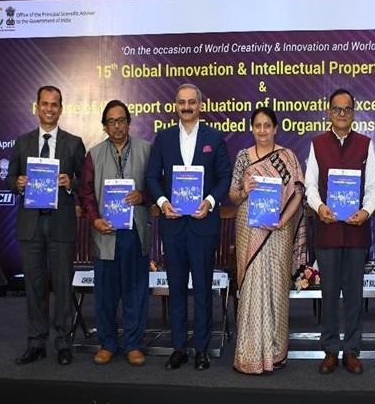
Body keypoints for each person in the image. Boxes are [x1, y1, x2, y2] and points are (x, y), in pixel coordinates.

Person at [145, 84, 232, 371]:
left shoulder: (214, 138)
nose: (186, 107)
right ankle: (179, 348)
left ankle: (201, 349)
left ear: (200, 105)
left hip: (202, 226)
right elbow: (152, 177)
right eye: (182, 102)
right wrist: (162, 202)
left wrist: (209, 201)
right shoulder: (164, 138)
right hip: (173, 226)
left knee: (204, 290)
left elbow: (224, 177)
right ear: (175, 106)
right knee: (177, 290)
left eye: (191, 102)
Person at [6, 85, 86, 366]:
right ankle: (36, 342)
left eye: (54, 104)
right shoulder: (22, 142)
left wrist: (70, 182)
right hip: (31, 225)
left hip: (61, 224)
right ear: (37, 107)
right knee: (34, 285)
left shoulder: (73, 143)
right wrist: (17, 183)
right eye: (45, 104)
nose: (49, 109)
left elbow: (85, 183)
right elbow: (9, 178)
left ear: (60, 109)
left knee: (63, 285)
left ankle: (64, 343)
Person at [305, 88, 375, 375]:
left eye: (347, 109)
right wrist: (319, 206)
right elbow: (310, 185)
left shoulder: (365, 144)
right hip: (327, 231)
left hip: (356, 232)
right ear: (329, 112)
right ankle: (330, 350)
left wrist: (367, 211)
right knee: (329, 294)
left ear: (353, 113)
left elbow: (372, 187)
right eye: (337, 109)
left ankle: (351, 350)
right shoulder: (317, 144)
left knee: (353, 295)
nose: (342, 114)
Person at [228, 107, 306, 374]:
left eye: (267, 125)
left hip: (278, 230)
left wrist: (284, 220)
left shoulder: (288, 157)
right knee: (251, 286)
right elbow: (233, 195)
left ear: (275, 128)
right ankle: (249, 353)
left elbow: (298, 192)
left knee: (275, 287)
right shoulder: (243, 157)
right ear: (252, 129)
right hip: (249, 228)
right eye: (257, 126)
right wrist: (244, 190)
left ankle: (275, 352)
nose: (262, 130)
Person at [78, 100, 151, 366]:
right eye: (111, 121)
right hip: (105, 234)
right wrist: (95, 220)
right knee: (106, 294)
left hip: (135, 233)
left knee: (135, 291)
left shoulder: (146, 150)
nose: (117, 126)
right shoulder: (94, 154)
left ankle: (132, 344)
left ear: (129, 123)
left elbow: (159, 185)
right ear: (105, 126)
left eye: (121, 120)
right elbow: (85, 194)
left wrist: (143, 195)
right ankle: (107, 343)